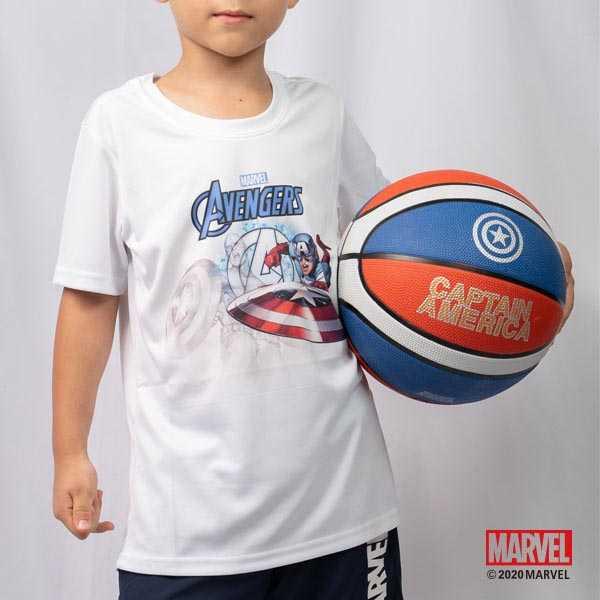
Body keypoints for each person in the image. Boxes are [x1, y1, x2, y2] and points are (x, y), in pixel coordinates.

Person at [51, 2, 575, 599]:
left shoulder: (322, 115)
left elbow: (403, 257)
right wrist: (70, 452)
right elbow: (90, 299)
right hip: (188, 534)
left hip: (344, 516)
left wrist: (522, 278)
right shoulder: (120, 126)